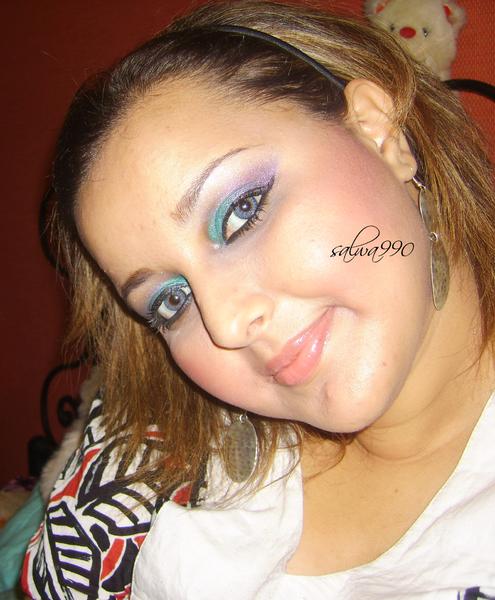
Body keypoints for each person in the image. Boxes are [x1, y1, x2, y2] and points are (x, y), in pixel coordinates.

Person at [22, 0, 495, 598]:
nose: (226, 324)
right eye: (170, 301)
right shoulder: (139, 462)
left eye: (241, 212)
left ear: (379, 133)